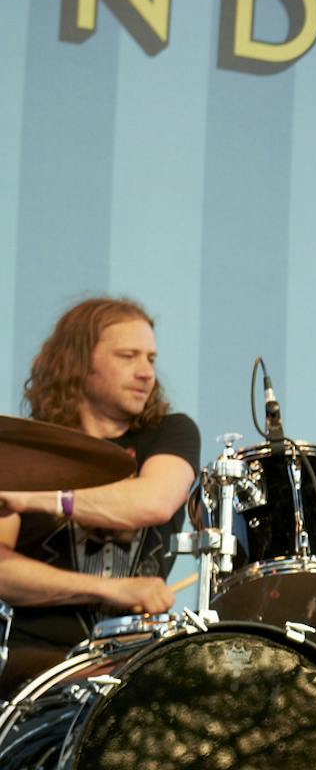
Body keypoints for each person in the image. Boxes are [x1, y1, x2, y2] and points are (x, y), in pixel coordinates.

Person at [0, 297, 198, 694]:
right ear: (78, 363)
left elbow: (153, 502)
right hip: (38, 665)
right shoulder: (22, 452)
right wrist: (111, 590)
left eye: (151, 359)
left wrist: (38, 499)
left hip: (136, 658)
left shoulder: (170, 433)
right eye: (128, 356)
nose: (146, 373)